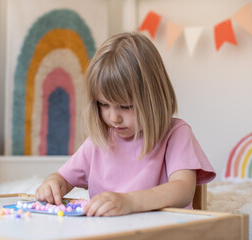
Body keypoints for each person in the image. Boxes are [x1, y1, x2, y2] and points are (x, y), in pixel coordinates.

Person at [35, 32, 215, 217]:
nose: (114, 118)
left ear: (154, 99)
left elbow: (183, 190)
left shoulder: (176, 133)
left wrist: (130, 201)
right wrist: (52, 183)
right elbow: (63, 179)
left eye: (126, 106)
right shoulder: (100, 140)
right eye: (104, 104)